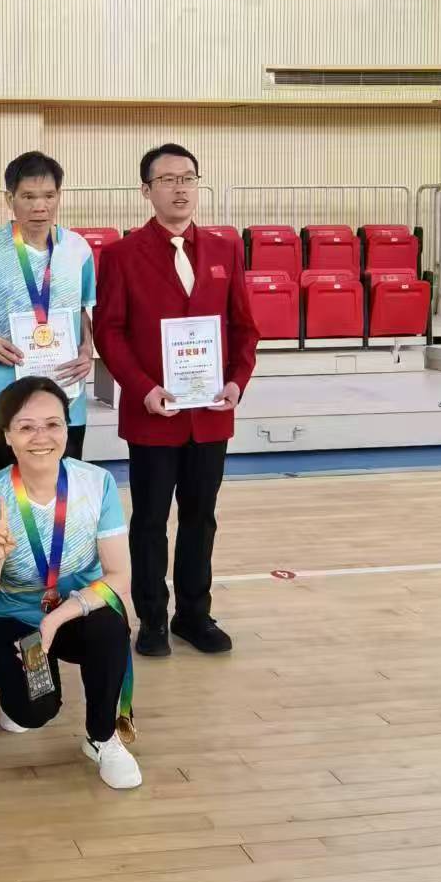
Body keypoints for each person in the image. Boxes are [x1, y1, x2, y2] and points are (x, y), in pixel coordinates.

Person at [93, 144, 258, 658]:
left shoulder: (226, 250)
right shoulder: (121, 255)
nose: (180, 188)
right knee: (149, 521)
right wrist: (142, 388)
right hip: (153, 414)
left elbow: (244, 328)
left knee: (200, 518)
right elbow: (110, 332)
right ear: (147, 191)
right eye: (167, 180)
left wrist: (236, 382)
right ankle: (151, 620)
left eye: (188, 178)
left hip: (211, 414)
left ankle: (194, 614)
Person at [0, 152, 95, 666]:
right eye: (28, 196)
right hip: (1, 406)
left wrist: (87, 348)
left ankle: (61, 612)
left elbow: (84, 310)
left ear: (59, 197)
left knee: (61, 512)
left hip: (64, 405)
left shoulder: (78, 249)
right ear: (9, 198)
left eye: (48, 195)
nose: (39, 206)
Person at [0, 377, 140, 791]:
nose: (41, 437)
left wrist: (57, 618)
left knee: (110, 626)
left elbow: (119, 577)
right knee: (31, 713)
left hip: (75, 610)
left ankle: (103, 737)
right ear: (7, 435)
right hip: (17, 618)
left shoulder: (97, 483)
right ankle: (21, 696)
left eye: (53, 424)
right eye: (26, 427)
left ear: (67, 426)